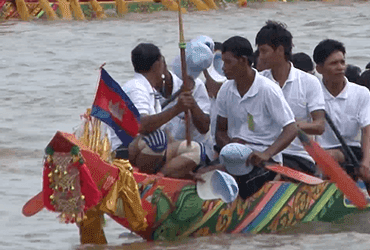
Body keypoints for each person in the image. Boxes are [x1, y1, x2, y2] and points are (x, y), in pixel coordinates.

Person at [214, 36, 298, 198]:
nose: (223, 68)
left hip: (264, 159)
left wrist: (266, 153)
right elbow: (220, 131)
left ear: (244, 61)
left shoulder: (267, 89)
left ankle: (276, 179)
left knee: (244, 186)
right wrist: (231, 147)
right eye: (223, 62)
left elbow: (291, 128)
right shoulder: (225, 89)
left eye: (228, 62)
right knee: (202, 174)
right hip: (236, 156)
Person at [121, 43, 206, 179]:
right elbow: (142, 125)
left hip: (144, 148)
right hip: (124, 149)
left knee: (195, 149)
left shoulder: (151, 89)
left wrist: (184, 168)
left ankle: (160, 176)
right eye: (162, 61)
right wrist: (177, 109)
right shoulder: (137, 88)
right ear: (157, 65)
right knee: (157, 139)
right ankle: (142, 176)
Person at [255, 21, 326, 175]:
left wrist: (292, 127)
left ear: (280, 50)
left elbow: (319, 125)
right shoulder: (258, 82)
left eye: (264, 51)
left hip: (298, 157)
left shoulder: (309, 82)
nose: (260, 57)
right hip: (263, 153)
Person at [313, 39, 370, 180]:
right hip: (318, 152)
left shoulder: (361, 93)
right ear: (319, 69)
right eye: (334, 63)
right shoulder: (312, 91)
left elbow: (367, 130)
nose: (340, 67)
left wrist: (367, 162)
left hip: (350, 152)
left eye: (342, 62)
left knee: (330, 156)